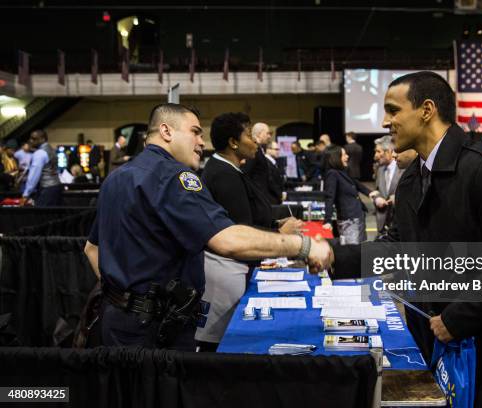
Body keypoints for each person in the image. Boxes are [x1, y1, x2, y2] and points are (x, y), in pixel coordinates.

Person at [331, 72, 482, 406]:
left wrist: (456, 318)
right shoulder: (412, 181)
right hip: (442, 351)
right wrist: (333, 256)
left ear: (427, 110)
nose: (384, 121)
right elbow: (394, 247)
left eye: (393, 110)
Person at [83, 103, 330, 351]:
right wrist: (303, 245)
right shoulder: (173, 177)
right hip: (155, 330)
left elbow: (91, 249)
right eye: (195, 132)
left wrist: (125, 297)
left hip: (115, 320)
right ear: (167, 131)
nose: (202, 142)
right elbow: (227, 240)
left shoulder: (116, 177)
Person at [197, 113, 303, 350]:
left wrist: (275, 225)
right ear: (234, 142)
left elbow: (248, 215)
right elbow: (238, 231)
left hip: (235, 271)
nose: (255, 141)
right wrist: (280, 236)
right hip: (226, 275)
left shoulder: (230, 170)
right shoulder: (223, 174)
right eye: (248, 135)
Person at [322, 146, 372, 244]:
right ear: (336, 158)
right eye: (344, 155)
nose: (347, 157)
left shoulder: (342, 172)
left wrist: (370, 193)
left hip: (356, 217)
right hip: (349, 220)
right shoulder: (332, 174)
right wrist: (327, 220)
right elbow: (329, 197)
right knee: (352, 250)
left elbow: (356, 183)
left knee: (358, 248)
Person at [371, 135, 404, 234]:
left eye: (378, 151)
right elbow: (377, 191)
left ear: (389, 151)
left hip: (399, 226)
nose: (376, 155)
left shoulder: (403, 168)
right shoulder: (379, 169)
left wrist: (398, 198)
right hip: (383, 226)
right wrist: (376, 198)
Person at [22, 130, 62, 206]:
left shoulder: (40, 153)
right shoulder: (52, 150)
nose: (31, 141)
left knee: (42, 216)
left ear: (42, 139)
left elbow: (34, 176)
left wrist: (26, 194)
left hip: (47, 189)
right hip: (57, 186)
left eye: (34, 139)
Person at [242, 122, 275, 200]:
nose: (269, 136)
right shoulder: (253, 149)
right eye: (267, 133)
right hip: (256, 197)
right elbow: (247, 172)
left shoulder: (259, 149)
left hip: (261, 196)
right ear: (259, 134)